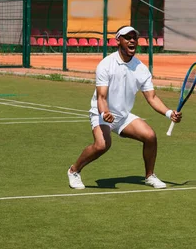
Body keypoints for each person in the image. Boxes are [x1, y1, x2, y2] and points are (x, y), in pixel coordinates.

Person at [67, 25, 182, 189]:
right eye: (127, 37)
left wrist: (169, 112)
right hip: (101, 113)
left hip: (123, 116)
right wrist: (105, 112)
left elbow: (152, 97)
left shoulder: (141, 69)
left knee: (150, 136)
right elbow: (101, 97)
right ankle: (74, 171)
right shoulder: (106, 65)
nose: (132, 40)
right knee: (102, 145)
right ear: (118, 40)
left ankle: (150, 176)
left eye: (134, 37)